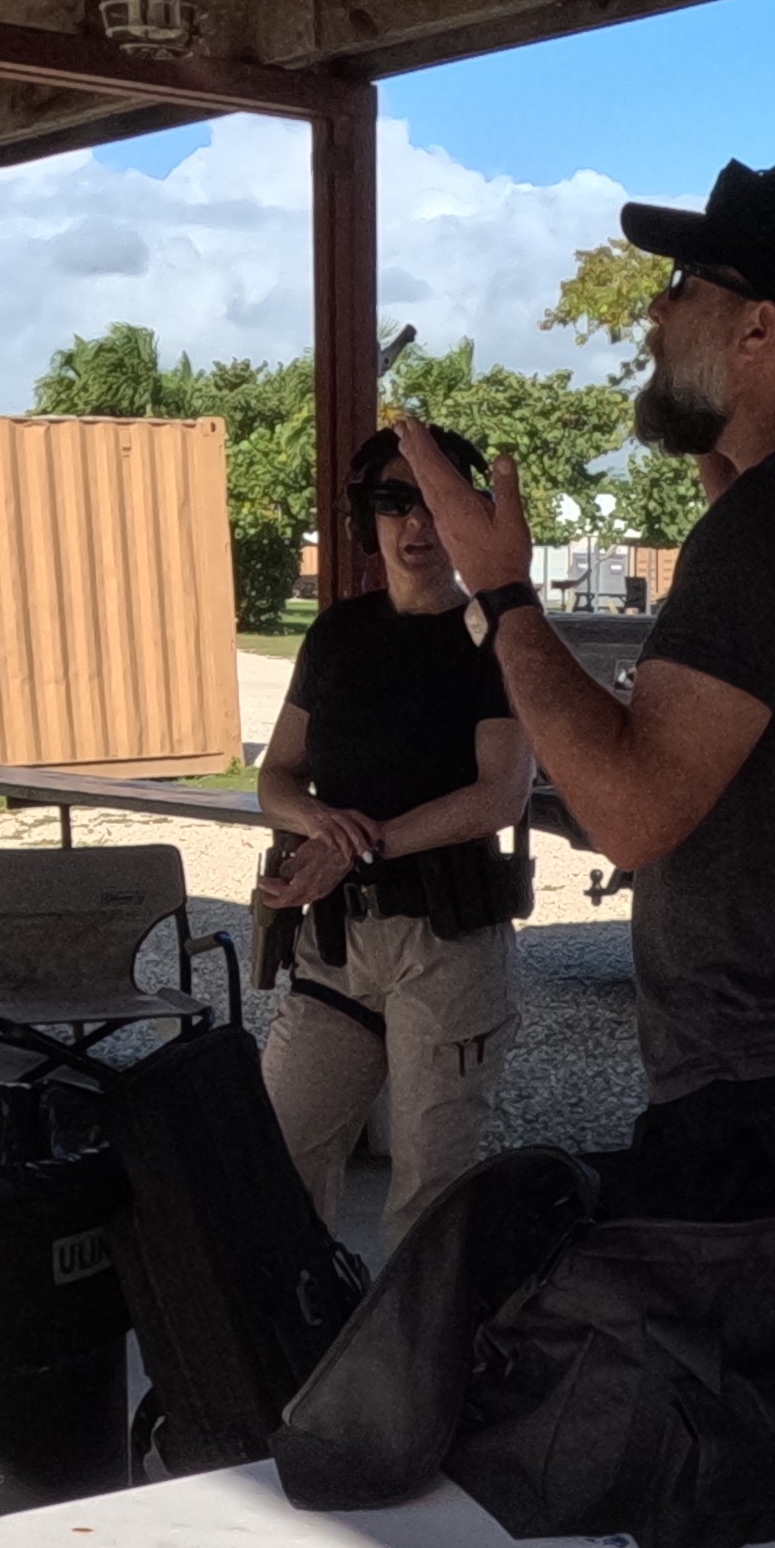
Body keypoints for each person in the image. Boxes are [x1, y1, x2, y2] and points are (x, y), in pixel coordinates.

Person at [384, 160, 775, 1221]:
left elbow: (631, 813)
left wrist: (503, 592)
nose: (658, 311)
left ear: (758, 327)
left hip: (768, 1088)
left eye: (685, 284)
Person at [250, 415, 534, 1233]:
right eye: (392, 502)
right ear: (364, 521)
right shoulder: (339, 633)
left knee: (429, 1191)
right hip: (336, 945)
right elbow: (276, 775)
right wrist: (318, 825)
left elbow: (499, 797)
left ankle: (416, 1355)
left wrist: (356, 848)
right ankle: (299, 1348)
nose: (416, 524)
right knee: (280, 1158)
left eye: (433, 503)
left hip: (446, 944)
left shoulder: (494, 638)